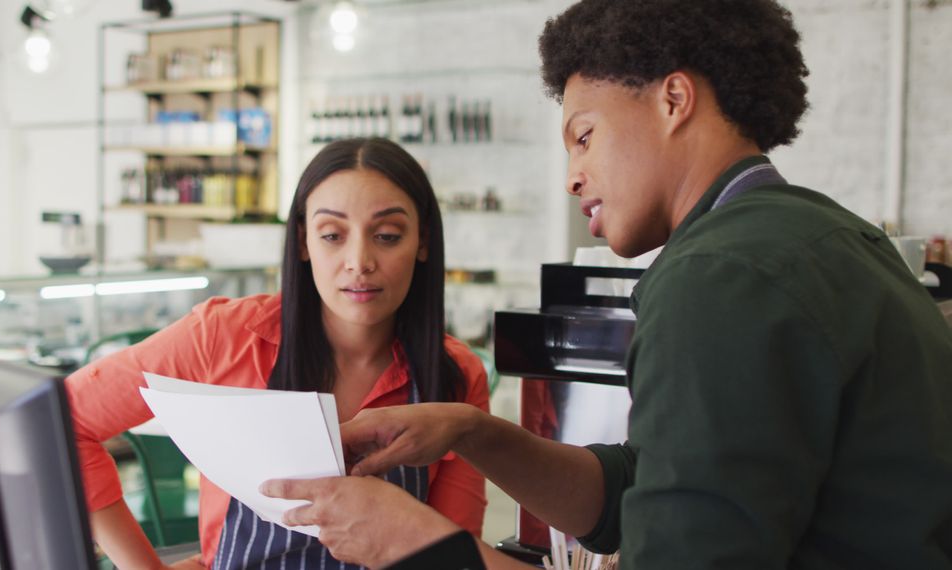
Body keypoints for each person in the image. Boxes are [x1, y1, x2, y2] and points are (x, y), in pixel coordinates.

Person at [261, 0, 952, 568]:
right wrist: (473, 432)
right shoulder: (820, 237)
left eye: (583, 136)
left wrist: (420, 546)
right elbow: (648, 485)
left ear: (674, 99)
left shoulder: (717, 276)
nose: (572, 176)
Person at [67, 137, 490, 569]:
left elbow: (455, 557)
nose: (359, 261)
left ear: (422, 243)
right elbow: (68, 421)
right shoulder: (225, 336)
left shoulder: (457, 376)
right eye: (332, 235)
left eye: (386, 235)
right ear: (304, 242)